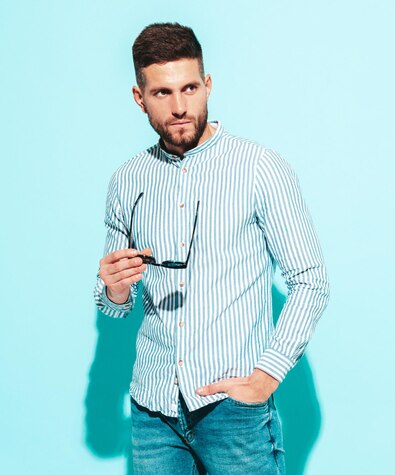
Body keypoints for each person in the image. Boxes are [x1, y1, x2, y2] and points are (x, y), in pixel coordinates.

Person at [94, 22, 329, 474]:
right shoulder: (127, 181)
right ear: (139, 98)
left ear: (208, 84)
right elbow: (115, 306)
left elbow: (311, 282)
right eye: (162, 93)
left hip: (232, 412)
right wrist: (115, 290)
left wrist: (267, 377)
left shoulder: (260, 168)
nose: (180, 107)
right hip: (152, 411)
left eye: (189, 88)